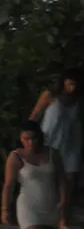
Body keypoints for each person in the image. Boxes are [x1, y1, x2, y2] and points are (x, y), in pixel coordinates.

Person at [2, 120, 72, 229]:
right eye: (26, 139)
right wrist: (5, 209)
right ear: (21, 139)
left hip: (50, 204)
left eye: (33, 138)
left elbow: (62, 180)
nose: (30, 142)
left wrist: (64, 200)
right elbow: (9, 185)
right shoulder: (16, 157)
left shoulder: (53, 154)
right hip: (28, 205)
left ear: (39, 137)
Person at [29, 68, 83, 204]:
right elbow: (35, 115)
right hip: (49, 141)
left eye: (76, 84)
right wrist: (29, 135)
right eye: (70, 83)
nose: (73, 87)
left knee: (69, 178)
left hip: (71, 143)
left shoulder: (78, 99)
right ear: (63, 82)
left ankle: (63, 214)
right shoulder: (50, 95)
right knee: (47, 175)